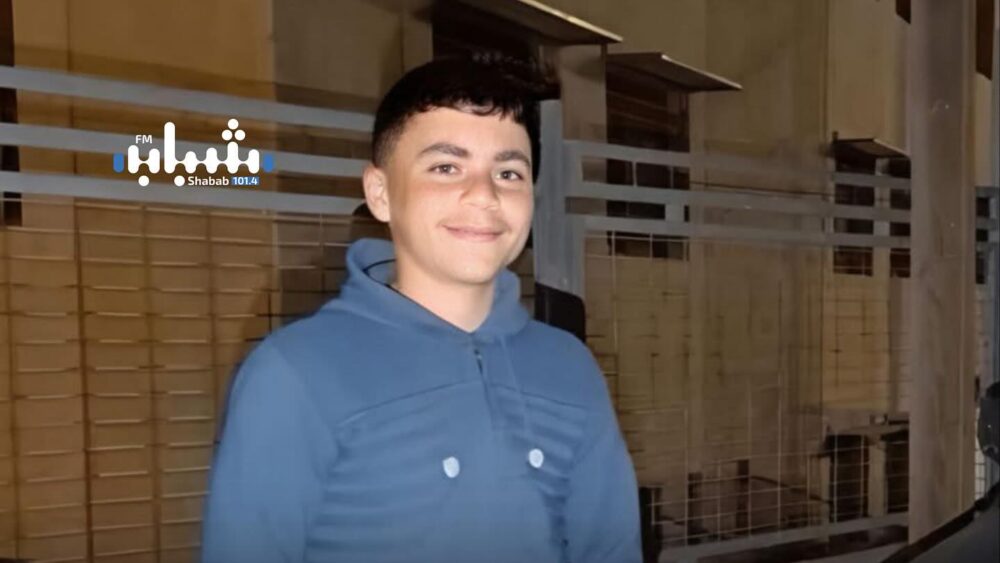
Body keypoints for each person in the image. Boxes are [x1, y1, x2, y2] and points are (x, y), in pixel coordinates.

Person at [200, 53, 641, 563]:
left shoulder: (569, 368)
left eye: (508, 172)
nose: (484, 195)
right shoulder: (295, 373)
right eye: (446, 167)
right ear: (380, 193)